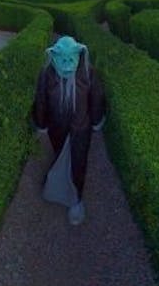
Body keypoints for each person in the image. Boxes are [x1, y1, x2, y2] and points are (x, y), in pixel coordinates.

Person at [30, 35, 106, 225]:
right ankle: (60, 187)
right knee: (61, 158)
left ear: (78, 54)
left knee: (78, 163)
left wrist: (96, 121)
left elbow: (96, 99)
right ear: (54, 56)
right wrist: (41, 123)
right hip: (58, 128)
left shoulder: (88, 72)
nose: (65, 64)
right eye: (61, 58)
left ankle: (76, 200)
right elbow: (41, 100)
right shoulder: (46, 73)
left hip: (81, 130)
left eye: (70, 57)